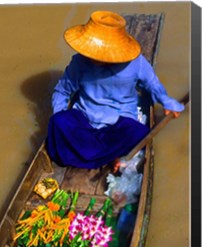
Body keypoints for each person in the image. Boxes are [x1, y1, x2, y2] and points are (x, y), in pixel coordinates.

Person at [46, 11, 185, 169]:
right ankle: (108, 156)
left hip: (117, 126)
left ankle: (100, 155)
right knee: (57, 122)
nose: (93, 57)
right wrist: (61, 115)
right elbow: (62, 91)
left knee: (138, 133)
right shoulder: (79, 62)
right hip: (84, 119)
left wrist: (167, 102)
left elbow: (152, 84)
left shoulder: (136, 63)